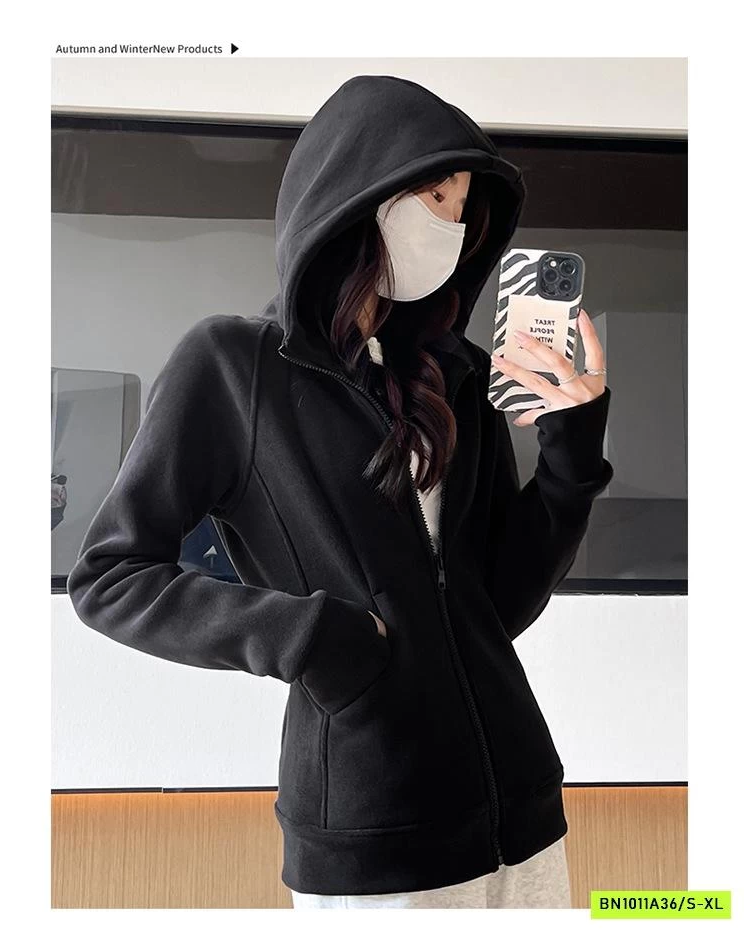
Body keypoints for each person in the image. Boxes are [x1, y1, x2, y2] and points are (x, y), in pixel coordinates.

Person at [67, 75, 613, 909]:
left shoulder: (454, 378)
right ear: (361, 190)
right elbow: (110, 577)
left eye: (464, 207)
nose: (452, 225)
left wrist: (572, 450)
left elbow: (497, 602)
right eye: (435, 195)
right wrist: (313, 637)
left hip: (527, 816)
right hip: (375, 834)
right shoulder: (235, 366)